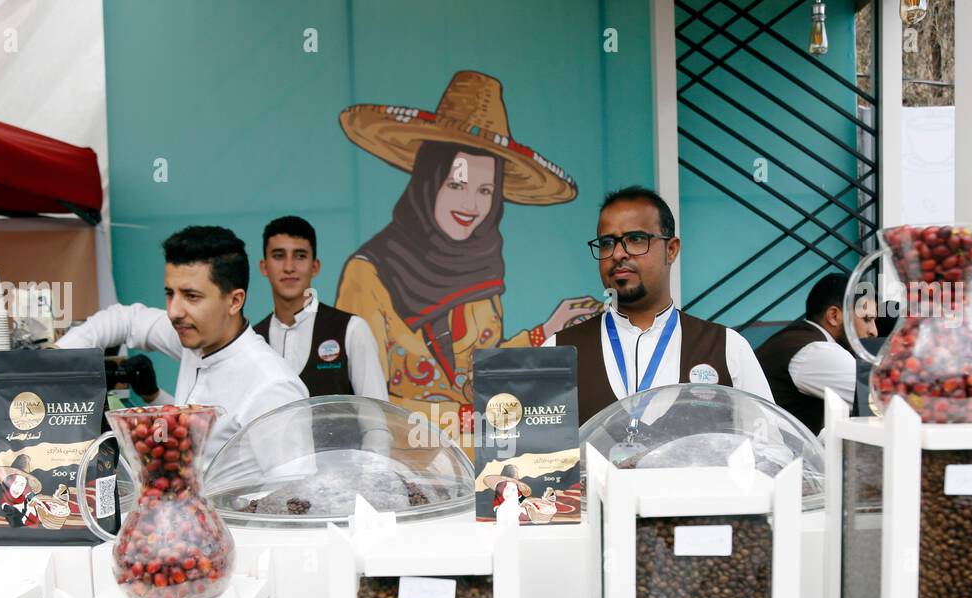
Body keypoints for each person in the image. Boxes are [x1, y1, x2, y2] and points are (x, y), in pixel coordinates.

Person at [335, 70, 599, 449]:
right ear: (429, 182)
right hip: (409, 481)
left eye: (485, 190)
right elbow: (367, 402)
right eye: (456, 184)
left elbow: (477, 373)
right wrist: (461, 418)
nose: (471, 205)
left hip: (487, 475)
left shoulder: (481, 268)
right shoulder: (367, 274)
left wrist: (546, 332)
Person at [56, 226, 307, 461]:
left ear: (234, 301)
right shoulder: (196, 339)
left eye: (191, 296)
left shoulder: (272, 386)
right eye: (170, 293)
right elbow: (126, 319)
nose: (174, 311)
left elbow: (294, 495)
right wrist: (53, 357)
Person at [547, 185, 773, 422]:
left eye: (635, 239)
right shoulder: (558, 352)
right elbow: (534, 451)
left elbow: (769, 448)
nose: (617, 254)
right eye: (607, 243)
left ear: (672, 249)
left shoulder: (726, 348)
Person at [258, 216, 387, 400]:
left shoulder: (351, 330)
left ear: (315, 267)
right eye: (278, 256)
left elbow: (377, 419)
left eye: (300, 256)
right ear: (264, 267)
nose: (289, 267)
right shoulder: (254, 340)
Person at [754, 272, 879, 434]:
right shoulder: (816, 351)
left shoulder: (799, 339)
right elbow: (882, 399)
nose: (874, 331)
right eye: (867, 319)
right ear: (834, 316)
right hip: (778, 455)